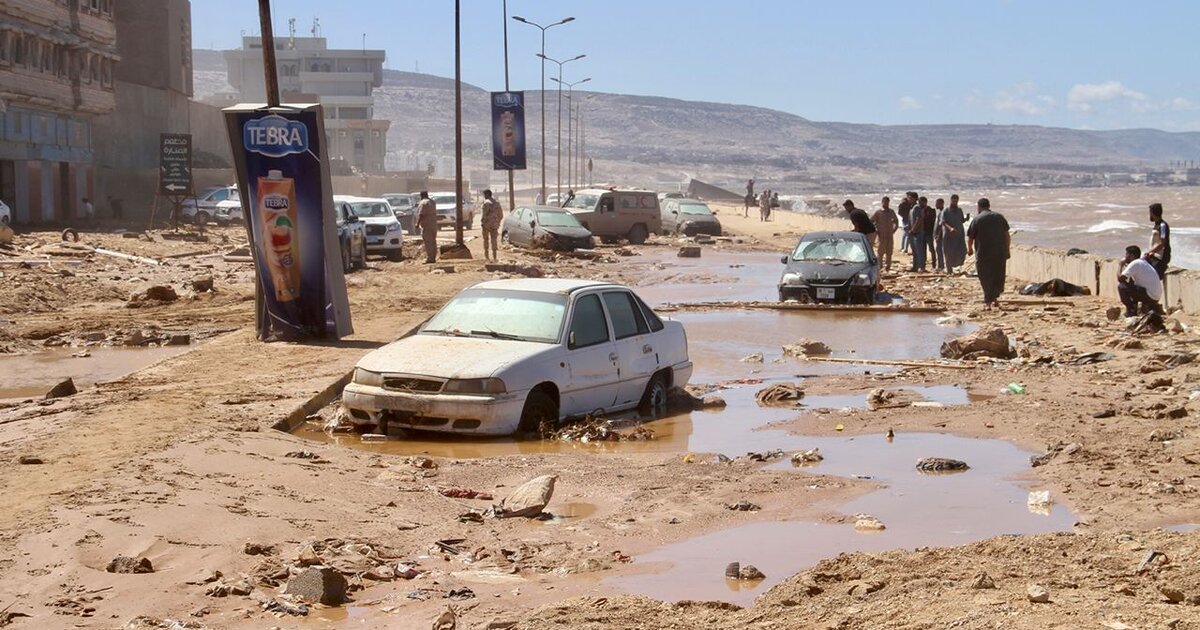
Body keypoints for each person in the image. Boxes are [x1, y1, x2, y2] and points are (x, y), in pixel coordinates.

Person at [966, 197, 1011, 309]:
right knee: (997, 275)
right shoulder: (999, 217)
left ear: (979, 207)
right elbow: (1007, 235)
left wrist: (970, 249)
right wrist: (1007, 249)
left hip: (983, 253)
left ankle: (988, 302)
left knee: (985, 276)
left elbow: (971, 237)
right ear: (989, 206)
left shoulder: (977, 219)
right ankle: (994, 298)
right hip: (999, 253)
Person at [1118, 245, 1163, 317]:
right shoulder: (1142, 262)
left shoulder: (1135, 263)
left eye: (1126, 254)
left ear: (1132, 256)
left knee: (1122, 287)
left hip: (1150, 296)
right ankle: (1136, 308)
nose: (1125, 257)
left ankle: (1131, 311)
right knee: (1131, 283)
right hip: (1155, 296)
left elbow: (1120, 279)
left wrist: (1120, 265)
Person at [940, 194, 968, 272]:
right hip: (949, 235)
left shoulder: (959, 210)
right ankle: (949, 269)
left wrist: (966, 219)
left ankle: (956, 265)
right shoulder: (946, 210)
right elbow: (943, 222)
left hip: (959, 234)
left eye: (956, 201)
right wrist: (950, 228)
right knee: (949, 252)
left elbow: (962, 220)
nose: (955, 203)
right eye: (953, 201)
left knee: (962, 250)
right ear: (951, 200)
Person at [871, 196, 898, 272]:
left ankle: (888, 266)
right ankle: (880, 266)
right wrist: (876, 229)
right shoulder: (878, 212)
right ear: (882, 202)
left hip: (889, 234)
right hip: (881, 235)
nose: (886, 203)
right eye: (884, 202)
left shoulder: (891, 211)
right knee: (880, 251)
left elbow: (896, 221)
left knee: (889, 251)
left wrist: (894, 229)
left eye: (887, 202)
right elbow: (871, 221)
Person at [1145, 202, 1171, 280]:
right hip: (1154, 256)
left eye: (1150, 212)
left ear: (1153, 213)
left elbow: (1162, 243)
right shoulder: (1156, 224)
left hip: (1161, 257)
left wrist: (1150, 251)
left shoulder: (1162, 225)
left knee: (1152, 278)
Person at [908, 196, 930, 272]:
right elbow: (910, 220)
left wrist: (913, 229)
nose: (909, 199)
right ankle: (915, 266)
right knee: (914, 251)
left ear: (914, 199)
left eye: (910, 198)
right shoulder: (912, 208)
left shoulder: (917, 208)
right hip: (912, 233)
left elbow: (919, 219)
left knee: (919, 250)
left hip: (918, 232)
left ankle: (921, 267)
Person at [479, 189, 503, 261]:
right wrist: (497, 222)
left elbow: (484, 215)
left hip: (486, 225)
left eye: (484, 195)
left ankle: (486, 256)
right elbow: (501, 215)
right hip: (494, 225)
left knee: (486, 240)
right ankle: (494, 256)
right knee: (494, 240)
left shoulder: (486, 203)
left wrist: (483, 223)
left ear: (487, 194)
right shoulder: (497, 203)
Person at [416, 190, 439, 263]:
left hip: (426, 225)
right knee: (433, 241)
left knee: (428, 242)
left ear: (421, 196)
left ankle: (430, 258)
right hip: (434, 225)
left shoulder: (423, 203)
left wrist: (417, 224)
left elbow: (421, 214)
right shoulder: (432, 202)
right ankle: (433, 257)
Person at [933, 198, 946, 272]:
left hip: (940, 235)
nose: (936, 205)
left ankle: (941, 266)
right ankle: (940, 265)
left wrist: (938, 235)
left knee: (939, 250)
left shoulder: (942, 213)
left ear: (941, 204)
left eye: (937, 204)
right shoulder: (940, 212)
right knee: (938, 250)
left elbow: (941, 225)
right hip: (938, 234)